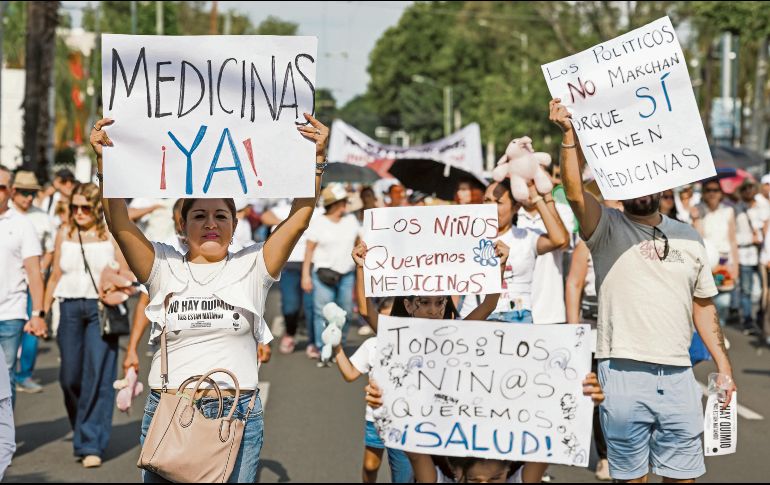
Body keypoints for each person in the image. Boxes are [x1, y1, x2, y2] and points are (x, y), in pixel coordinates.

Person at [90, 113, 328, 482]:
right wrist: (106, 163)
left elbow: (300, 217)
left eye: (221, 215)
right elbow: (119, 221)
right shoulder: (162, 265)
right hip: (170, 408)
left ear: (234, 228)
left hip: (237, 411)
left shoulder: (254, 265)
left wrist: (315, 163)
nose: (211, 223)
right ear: (182, 227)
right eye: (199, 215)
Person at [550, 98, 735, 483]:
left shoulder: (689, 237)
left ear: (664, 185)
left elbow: (704, 308)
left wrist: (724, 367)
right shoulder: (606, 229)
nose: (642, 188)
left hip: (679, 375)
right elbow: (574, 193)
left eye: (649, 180)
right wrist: (570, 137)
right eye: (631, 181)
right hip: (621, 372)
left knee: (683, 478)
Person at [42, 182, 130, 468]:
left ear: (95, 207)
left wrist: (114, 284)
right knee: (69, 378)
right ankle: (84, 423)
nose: (78, 212)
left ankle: (90, 442)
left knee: (98, 375)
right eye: (74, 207)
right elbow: (54, 276)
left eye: (84, 207)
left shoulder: (110, 236)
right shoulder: (64, 233)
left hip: (100, 309)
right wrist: (39, 313)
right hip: (67, 307)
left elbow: (128, 274)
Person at [460, 179, 568, 323]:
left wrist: (537, 198)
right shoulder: (467, 236)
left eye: (498, 202)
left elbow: (559, 239)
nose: (491, 206)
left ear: (515, 207)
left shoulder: (526, 236)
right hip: (476, 314)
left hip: (517, 316)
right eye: (486, 200)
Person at [332, 297, 412, 483]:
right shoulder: (372, 345)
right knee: (370, 466)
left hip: (402, 420)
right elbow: (350, 374)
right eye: (383, 320)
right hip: (375, 418)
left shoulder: (412, 344)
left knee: (402, 471)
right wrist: (337, 347)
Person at [0, 166, 48, 407]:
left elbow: (34, 272)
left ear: (9, 191)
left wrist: (38, 313)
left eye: (1, 187)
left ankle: (4, 441)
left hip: (10, 313)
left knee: (5, 376)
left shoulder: (23, 224)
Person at [302, 183, 361, 365]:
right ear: (334, 203)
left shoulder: (351, 220)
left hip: (347, 274)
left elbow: (360, 242)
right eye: (343, 201)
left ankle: (338, 348)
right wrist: (306, 276)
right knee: (322, 313)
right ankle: (323, 349)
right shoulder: (318, 222)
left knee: (345, 313)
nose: (346, 204)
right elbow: (309, 250)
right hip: (323, 274)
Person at [10, 171, 55, 394]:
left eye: (32, 193)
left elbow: (51, 250)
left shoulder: (42, 217)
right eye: (24, 193)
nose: (29, 197)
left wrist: (41, 269)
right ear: (13, 191)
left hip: (33, 284)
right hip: (8, 283)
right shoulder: (5, 215)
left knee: (33, 328)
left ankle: (24, 374)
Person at [262, 199, 318, 356]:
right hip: (289, 264)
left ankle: (314, 342)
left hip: (313, 264)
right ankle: (290, 333)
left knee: (311, 307)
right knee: (290, 306)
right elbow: (265, 217)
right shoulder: (285, 208)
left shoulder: (318, 211)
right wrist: (290, 224)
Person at [516, 174, 574, 324]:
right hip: (515, 314)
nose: (531, 187)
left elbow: (563, 242)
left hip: (549, 314)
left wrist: (544, 199)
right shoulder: (510, 213)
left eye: (536, 181)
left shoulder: (563, 210)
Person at [692, 178, 739, 326]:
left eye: (715, 190)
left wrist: (736, 266)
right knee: (704, 300)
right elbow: (697, 236)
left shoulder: (728, 211)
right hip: (705, 262)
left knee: (723, 302)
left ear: (721, 193)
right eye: (708, 190)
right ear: (703, 193)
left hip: (724, 263)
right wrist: (696, 218)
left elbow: (732, 239)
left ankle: (718, 335)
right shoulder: (698, 210)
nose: (712, 193)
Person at [734, 179, 767, 335]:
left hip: (762, 255)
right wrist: (750, 239)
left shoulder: (763, 206)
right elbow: (733, 237)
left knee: (763, 290)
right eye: (745, 188)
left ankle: (761, 317)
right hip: (745, 256)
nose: (748, 191)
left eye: (751, 188)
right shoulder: (737, 210)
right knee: (746, 290)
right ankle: (747, 321)